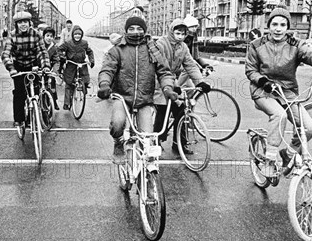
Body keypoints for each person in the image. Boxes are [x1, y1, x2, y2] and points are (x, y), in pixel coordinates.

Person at [245, 5, 312, 177]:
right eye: (274, 24)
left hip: (288, 91)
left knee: (310, 128)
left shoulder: (295, 44)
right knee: (279, 115)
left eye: (283, 25)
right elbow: (250, 70)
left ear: (287, 27)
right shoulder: (256, 45)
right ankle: (269, 159)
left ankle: (289, 153)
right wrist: (263, 81)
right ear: (268, 25)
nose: (278, 29)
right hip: (263, 90)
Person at [97, 16, 177, 164]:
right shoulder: (118, 49)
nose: (136, 32)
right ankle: (118, 143)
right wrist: (104, 84)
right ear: (126, 31)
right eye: (131, 29)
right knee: (118, 123)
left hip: (144, 99)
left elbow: (164, 72)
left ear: (145, 30)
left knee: (148, 139)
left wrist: (167, 88)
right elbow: (107, 69)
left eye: (139, 29)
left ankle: (146, 177)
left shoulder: (153, 48)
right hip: (122, 96)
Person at [153, 19, 212, 154]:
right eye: (177, 33)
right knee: (162, 113)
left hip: (173, 81)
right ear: (171, 31)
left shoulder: (183, 47)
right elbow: (160, 67)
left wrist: (200, 82)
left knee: (181, 111)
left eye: (183, 34)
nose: (180, 36)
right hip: (160, 82)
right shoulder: (161, 44)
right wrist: (174, 84)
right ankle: (156, 142)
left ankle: (179, 143)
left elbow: (190, 64)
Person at [1, 11, 51, 129]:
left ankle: (35, 116)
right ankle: (19, 120)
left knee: (37, 91)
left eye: (25, 22)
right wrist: (11, 69)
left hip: (33, 66)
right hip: (18, 68)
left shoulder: (36, 34)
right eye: (20, 22)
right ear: (16, 24)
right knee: (19, 93)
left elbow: (42, 52)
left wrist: (46, 66)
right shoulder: (12, 36)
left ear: (29, 23)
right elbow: (6, 55)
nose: (23, 25)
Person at [58, 25, 94, 110]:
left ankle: (84, 87)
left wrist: (91, 61)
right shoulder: (68, 43)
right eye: (75, 34)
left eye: (79, 34)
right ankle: (67, 103)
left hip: (81, 63)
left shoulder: (84, 43)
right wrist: (63, 57)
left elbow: (90, 52)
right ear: (73, 35)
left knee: (85, 78)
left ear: (81, 35)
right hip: (71, 64)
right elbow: (59, 49)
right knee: (68, 83)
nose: (77, 36)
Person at [43, 26, 60, 110]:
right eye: (47, 35)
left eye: (51, 36)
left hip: (49, 70)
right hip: (40, 70)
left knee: (52, 86)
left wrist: (55, 70)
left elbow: (57, 60)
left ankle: (54, 101)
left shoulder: (54, 47)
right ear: (44, 36)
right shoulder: (40, 45)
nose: (49, 38)